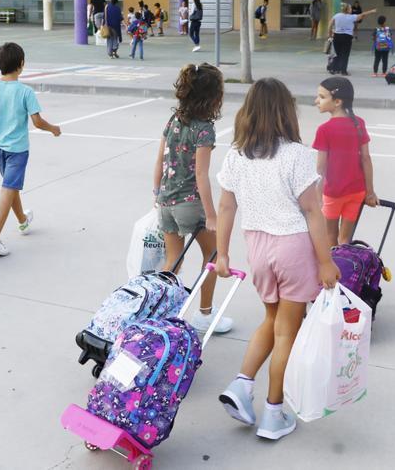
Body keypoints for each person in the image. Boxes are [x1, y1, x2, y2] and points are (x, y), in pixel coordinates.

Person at [214, 78, 339, 441]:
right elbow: (313, 212)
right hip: (293, 247)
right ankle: (272, 413)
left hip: (258, 249)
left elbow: (226, 206)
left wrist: (222, 254)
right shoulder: (297, 155)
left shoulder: (235, 154)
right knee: (287, 330)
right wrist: (326, 261)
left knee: (271, 318)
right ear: (286, 112)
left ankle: (242, 384)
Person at [153, 63, 234, 334]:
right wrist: (211, 214)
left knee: (173, 260)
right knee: (212, 254)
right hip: (190, 203)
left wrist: (157, 192)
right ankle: (204, 314)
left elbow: (161, 159)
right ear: (213, 98)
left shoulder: (173, 120)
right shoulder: (204, 129)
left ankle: (161, 312)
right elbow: (201, 174)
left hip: (166, 201)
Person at [0, 42, 62, 256]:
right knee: (8, 188)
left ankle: (23, 221)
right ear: (21, 64)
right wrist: (54, 129)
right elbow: (37, 122)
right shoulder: (25, 92)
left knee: (11, 186)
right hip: (17, 149)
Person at [313, 77, 378, 244]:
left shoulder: (324, 130)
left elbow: (320, 168)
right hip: (357, 191)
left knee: (330, 237)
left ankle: (334, 269)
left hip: (333, 193)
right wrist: (370, 192)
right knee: (345, 238)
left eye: (321, 97)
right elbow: (366, 158)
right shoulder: (359, 124)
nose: (316, 101)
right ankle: (347, 268)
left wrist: (318, 196)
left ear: (337, 102)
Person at [328, 3, 376, 76]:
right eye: (350, 8)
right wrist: (371, 11)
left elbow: (330, 24)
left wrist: (330, 34)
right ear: (347, 9)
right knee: (345, 54)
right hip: (347, 37)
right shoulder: (352, 17)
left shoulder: (336, 15)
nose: (351, 10)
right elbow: (362, 15)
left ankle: (334, 69)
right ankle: (343, 71)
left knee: (337, 54)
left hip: (337, 36)